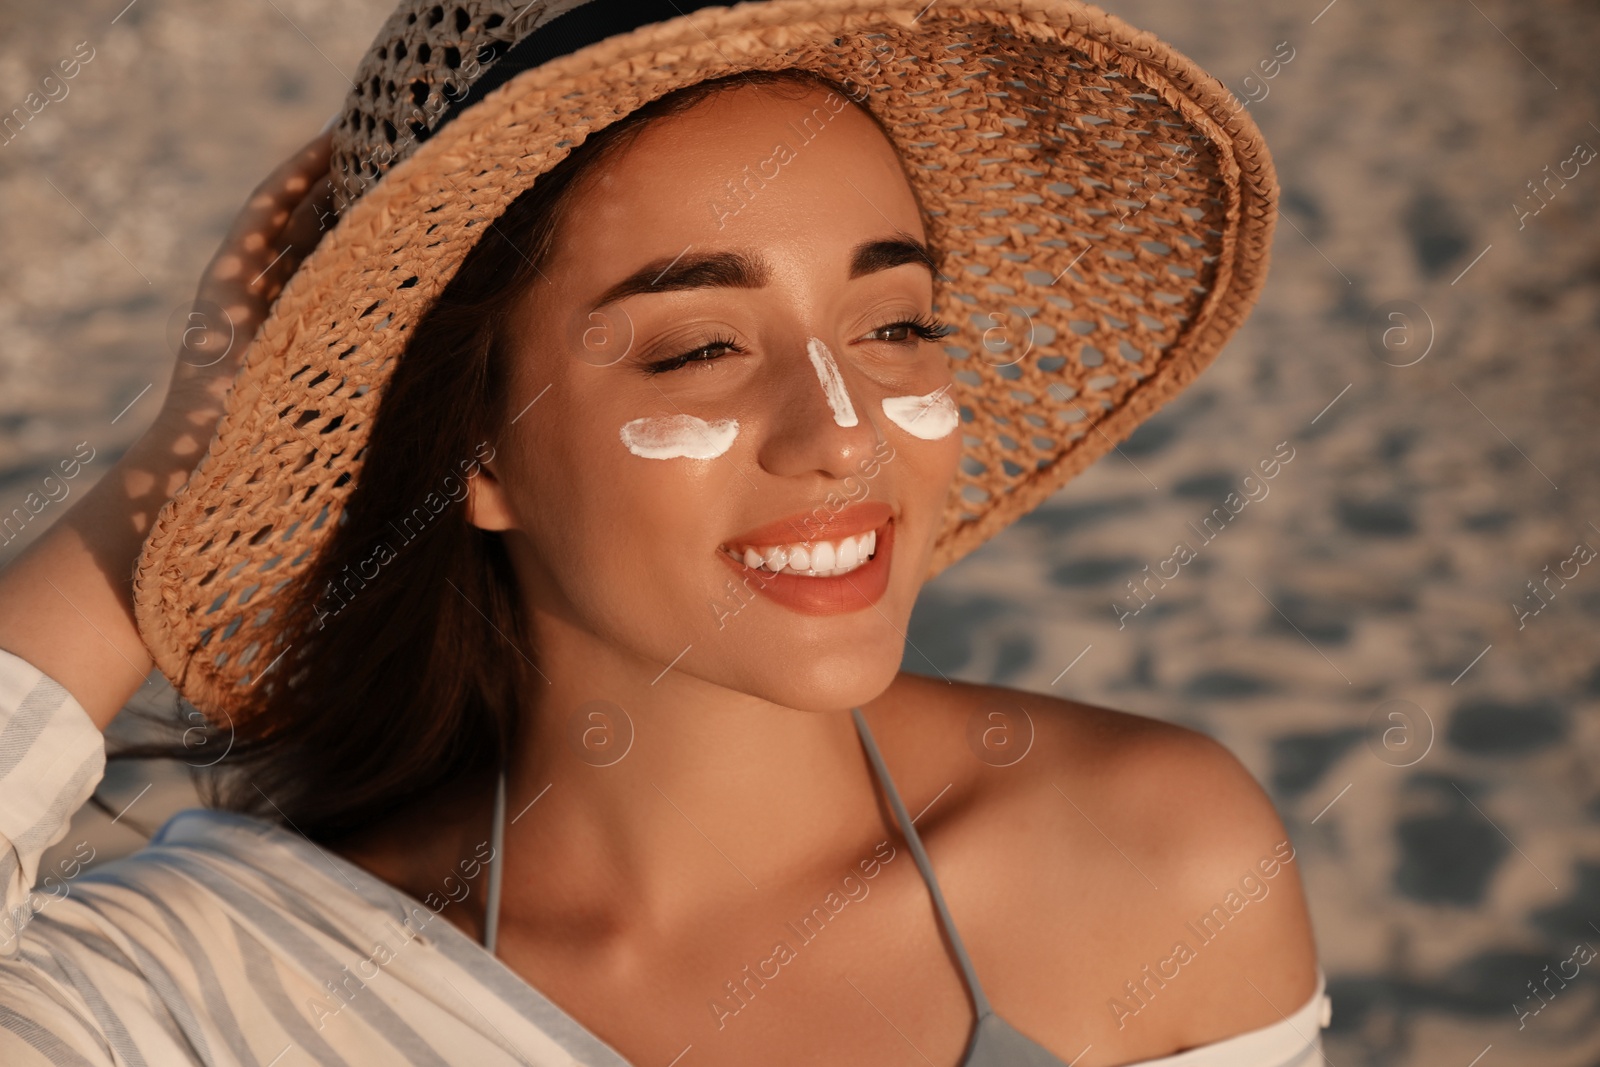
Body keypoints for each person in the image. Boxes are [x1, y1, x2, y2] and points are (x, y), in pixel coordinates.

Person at [0, 1, 1330, 1063]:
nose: (845, 432)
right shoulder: (205, 988)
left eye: (897, 325)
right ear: (476, 451)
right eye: (700, 346)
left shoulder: (1154, 862)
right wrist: (172, 477)